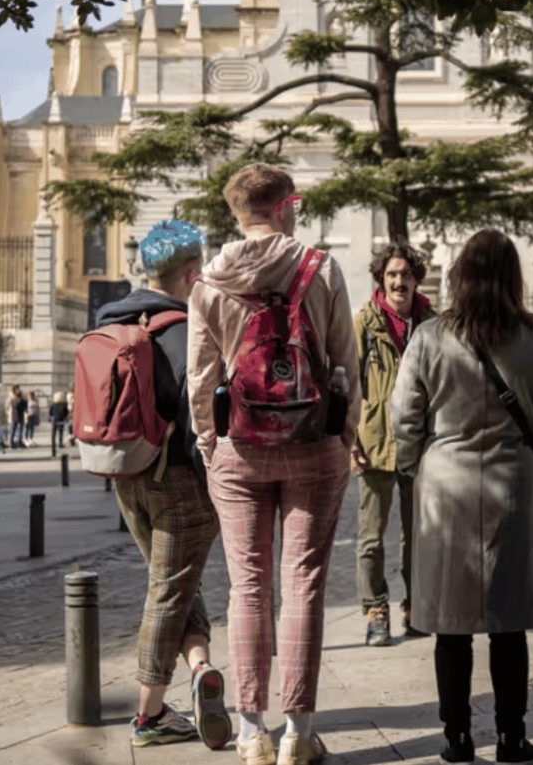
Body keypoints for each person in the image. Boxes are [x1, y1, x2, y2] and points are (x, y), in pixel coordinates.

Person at [188, 165, 359, 765]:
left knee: (248, 586)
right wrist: (350, 436)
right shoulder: (322, 269)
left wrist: (211, 447)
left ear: (238, 213)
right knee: (304, 584)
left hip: (239, 448)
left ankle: (252, 730)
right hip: (314, 442)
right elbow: (345, 365)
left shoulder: (208, 282)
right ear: (284, 206)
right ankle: (298, 733)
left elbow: (200, 378)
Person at [390, 229, 533, 765]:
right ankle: (512, 737)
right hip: (512, 481)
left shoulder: (428, 336)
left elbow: (404, 418)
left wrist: (415, 466)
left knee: (450, 625)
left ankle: (457, 738)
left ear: (459, 275)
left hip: (444, 483)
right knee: (508, 622)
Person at [98, 219, 228, 750]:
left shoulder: (114, 320)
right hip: (178, 482)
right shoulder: (185, 330)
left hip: (128, 476)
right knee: (169, 590)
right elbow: (201, 418)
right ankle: (149, 714)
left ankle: (199, 670)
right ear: (193, 272)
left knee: (176, 581)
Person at [353, 240, 435, 646]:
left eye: (405, 274)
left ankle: (415, 606)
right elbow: (346, 385)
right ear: (381, 279)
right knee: (371, 537)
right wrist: (350, 440)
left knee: (417, 536)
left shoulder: (432, 323)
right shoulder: (364, 323)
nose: (399, 281)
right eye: (391, 275)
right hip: (374, 446)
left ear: (416, 277)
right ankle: (375, 609)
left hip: (420, 448)